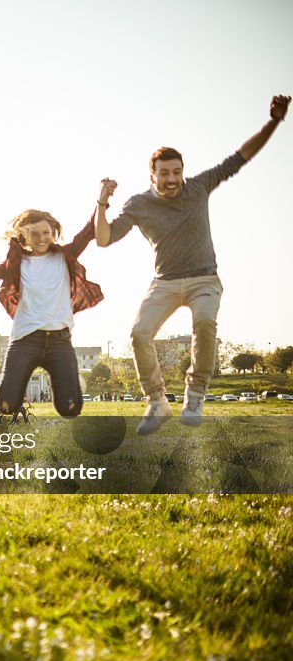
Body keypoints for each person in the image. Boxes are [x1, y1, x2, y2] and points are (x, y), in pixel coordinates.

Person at [96, 95, 291, 434]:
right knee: (139, 333)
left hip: (204, 279)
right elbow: (104, 238)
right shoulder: (139, 204)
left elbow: (240, 157)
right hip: (164, 282)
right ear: (152, 175)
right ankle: (157, 402)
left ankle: (196, 393)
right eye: (164, 174)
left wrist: (274, 121)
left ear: (183, 171)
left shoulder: (199, 187)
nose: (172, 179)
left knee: (204, 322)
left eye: (177, 172)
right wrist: (101, 202)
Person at [0, 198, 108, 418]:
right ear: (23, 237)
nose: (41, 239)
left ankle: (67, 380)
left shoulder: (65, 256)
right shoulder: (15, 264)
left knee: (70, 409)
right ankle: (45, 380)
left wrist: (102, 201)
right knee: (6, 405)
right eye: (34, 234)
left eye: (45, 233)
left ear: (53, 233)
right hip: (25, 341)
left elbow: (88, 231)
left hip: (59, 341)